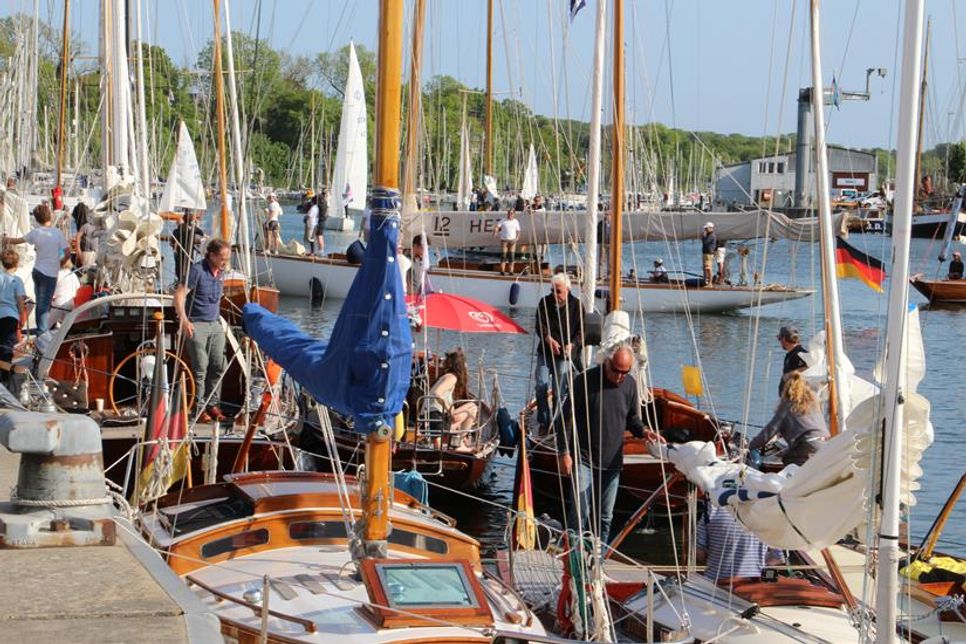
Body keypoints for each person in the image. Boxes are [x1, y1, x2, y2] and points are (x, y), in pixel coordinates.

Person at [557, 345, 646, 547]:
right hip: (584, 458)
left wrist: (645, 432)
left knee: (605, 517)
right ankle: (574, 558)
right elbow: (565, 419)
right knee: (580, 512)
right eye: (616, 370)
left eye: (625, 372)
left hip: (612, 462)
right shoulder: (584, 381)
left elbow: (632, 419)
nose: (619, 376)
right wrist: (564, 452)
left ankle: (598, 562)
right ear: (606, 362)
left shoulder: (630, 385)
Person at [174, 238, 231, 422]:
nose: (225, 262)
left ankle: (212, 405)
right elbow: (180, 294)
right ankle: (198, 410)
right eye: (222, 258)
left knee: (219, 365)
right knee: (201, 368)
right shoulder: (197, 271)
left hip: (215, 324)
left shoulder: (221, 273)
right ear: (212, 255)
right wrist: (183, 320)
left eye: (227, 258)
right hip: (196, 324)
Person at [4, 204, 69, 335]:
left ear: (37, 219)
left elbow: (18, 241)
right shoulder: (57, 233)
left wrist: (5, 239)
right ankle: (42, 334)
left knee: (40, 302)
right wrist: (59, 263)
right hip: (50, 273)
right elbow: (67, 253)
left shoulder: (35, 233)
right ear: (49, 216)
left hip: (37, 271)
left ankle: (42, 330)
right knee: (44, 305)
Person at [534, 272, 584, 428]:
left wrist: (572, 344)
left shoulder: (576, 305)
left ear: (568, 289)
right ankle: (544, 420)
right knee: (541, 385)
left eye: (558, 291)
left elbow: (582, 331)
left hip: (565, 355)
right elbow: (539, 325)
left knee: (558, 391)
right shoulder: (544, 302)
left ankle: (556, 424)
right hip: (546, 351)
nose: (555, 294)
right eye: (552, 291)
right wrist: (548, 339)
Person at [750, 372, 829, 466]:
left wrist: (750, 446)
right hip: (826, 443)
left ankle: (793, 479)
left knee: (788, 459)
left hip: (808, 445)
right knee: (789, 453)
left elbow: (768, 432)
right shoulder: (813, 403)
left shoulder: (788, 406)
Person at [697, 503, 782, 583]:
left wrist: (717, 561)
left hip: (715, 584)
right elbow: (779, 557)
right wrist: (756, 563)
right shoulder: (767, 512)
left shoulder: (713, 507)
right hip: (754, 585)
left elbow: (698, 553)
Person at [424, 350, 478, 435]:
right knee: (473, 408)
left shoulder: (445, 376)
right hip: (435, 417)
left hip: (429, 415)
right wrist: (450, 410)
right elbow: (437, 393)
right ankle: (460, 440)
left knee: (469, 407)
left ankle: (459, 438)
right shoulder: (452, 378)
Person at [0, 249, 26, 374]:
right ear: (16, 264)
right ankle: (4, 375)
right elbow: (20, 300)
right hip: (10, 315)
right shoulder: (17, 280)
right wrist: (22, 316)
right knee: (7, 347)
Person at [171, 211, 206, 285]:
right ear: (191, 220)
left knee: (179, 268)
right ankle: (187, 282)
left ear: (183, 219)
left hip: (180, 251)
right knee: (189, 267)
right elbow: (201, 233)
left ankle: (180, 281)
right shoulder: (193, 228)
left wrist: (173, 246)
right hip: (189, 251)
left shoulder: (178, 229)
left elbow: (173, 241)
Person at [47, 264, 81, 328]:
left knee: (47, 325)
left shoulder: (56, 274)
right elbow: (78, 288)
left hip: (58, 304)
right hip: (70, 303)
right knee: (68, 326)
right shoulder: (73, 275)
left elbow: (50, 290)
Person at [777, 325, 808, 395]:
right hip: (787, 398)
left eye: (779, 338)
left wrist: (789, 375)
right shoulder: (790, 354)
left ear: (784, 339)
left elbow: (809, 368)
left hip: (795, 399)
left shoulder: (801, 354)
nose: (780, 342)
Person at [495, 209, 521, 275]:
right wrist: (495, 231)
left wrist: (517, 238)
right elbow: (497, 226)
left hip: (512, 240)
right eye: (509, 213)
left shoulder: (515, 221)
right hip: (504, 240)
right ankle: (502, 271)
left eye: (511, 213)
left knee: (511, 256)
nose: (510, 215)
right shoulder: (503, 220)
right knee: (503, 255)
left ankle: (511, 271)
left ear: (514, 214)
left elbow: (518, 231)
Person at [72, 203, 98, 267]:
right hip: (92, 253)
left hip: (87, 253)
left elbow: (77, 238)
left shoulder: (84, 226)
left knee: (85, 271)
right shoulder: (92, 224)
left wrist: (79, 253)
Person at [701, 221, 717, 286]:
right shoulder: (708, 235)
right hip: (706, 253)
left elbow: (705, 242)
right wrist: (704, 236)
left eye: (706, 228)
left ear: (711, 228)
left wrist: (704, 236)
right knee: (705, 268)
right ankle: (706, 281)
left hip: (708, 254)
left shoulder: (712, 235)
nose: (705, 230)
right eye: (705, 228)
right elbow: (703, 242)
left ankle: (710, 283)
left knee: (708, 268)